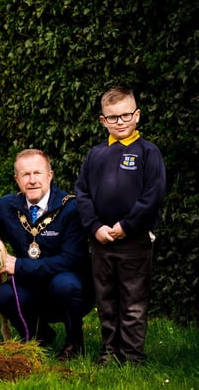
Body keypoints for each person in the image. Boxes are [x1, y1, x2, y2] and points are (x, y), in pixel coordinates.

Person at [0, 149, 94, 361]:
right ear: (17, 179)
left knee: (66, 284)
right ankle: (41, 337)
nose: (32, 180)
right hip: (29, 287)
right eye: (25, 175)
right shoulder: (8, 206)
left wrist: (19, 267)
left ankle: (74, 343)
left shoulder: (70, 207)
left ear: (50, 175)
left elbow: (72, 259)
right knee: (2, 295)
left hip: (68, 288)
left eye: (37, 173)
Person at [75, 87, 166, 366]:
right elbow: (82, 193)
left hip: (135, 240)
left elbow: (153, 195)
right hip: (101, 241)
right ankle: (109, 353)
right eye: (113, 117)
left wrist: (127, 225)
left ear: (137, 115)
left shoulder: (148, 152)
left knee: (133, 301)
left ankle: (132, 355)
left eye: (126, 115)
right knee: (107, 299)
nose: (121, 121)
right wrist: (95, 227)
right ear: (103, 121)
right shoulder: (96, 155)